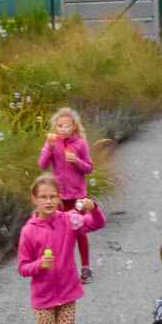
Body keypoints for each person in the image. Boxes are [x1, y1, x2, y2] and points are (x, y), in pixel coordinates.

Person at [18, 174, 106, 324]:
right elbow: (23, 267)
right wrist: (38, 265)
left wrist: (94, 207)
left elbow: (96, 223)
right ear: (34, 199)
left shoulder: (69, 220)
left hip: (67, 296)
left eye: (53, 196)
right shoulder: (28, 231)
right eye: (43, 197)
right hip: (44, 300)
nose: (48, 201)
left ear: (59, 198)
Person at [41, 107, 97, 283]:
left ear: (74, 126)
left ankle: (85, 267)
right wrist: (49, 149)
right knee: (60, 234)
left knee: (79, 231)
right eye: (59, 126)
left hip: (77, 195)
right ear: (55, 127)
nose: (63, 129)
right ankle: (63, 269)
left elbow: (89, 167)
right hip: (59, 196)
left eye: (67, 125)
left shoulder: (80, 143)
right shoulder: (52, 143)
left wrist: (77, 161)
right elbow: (42, 165)